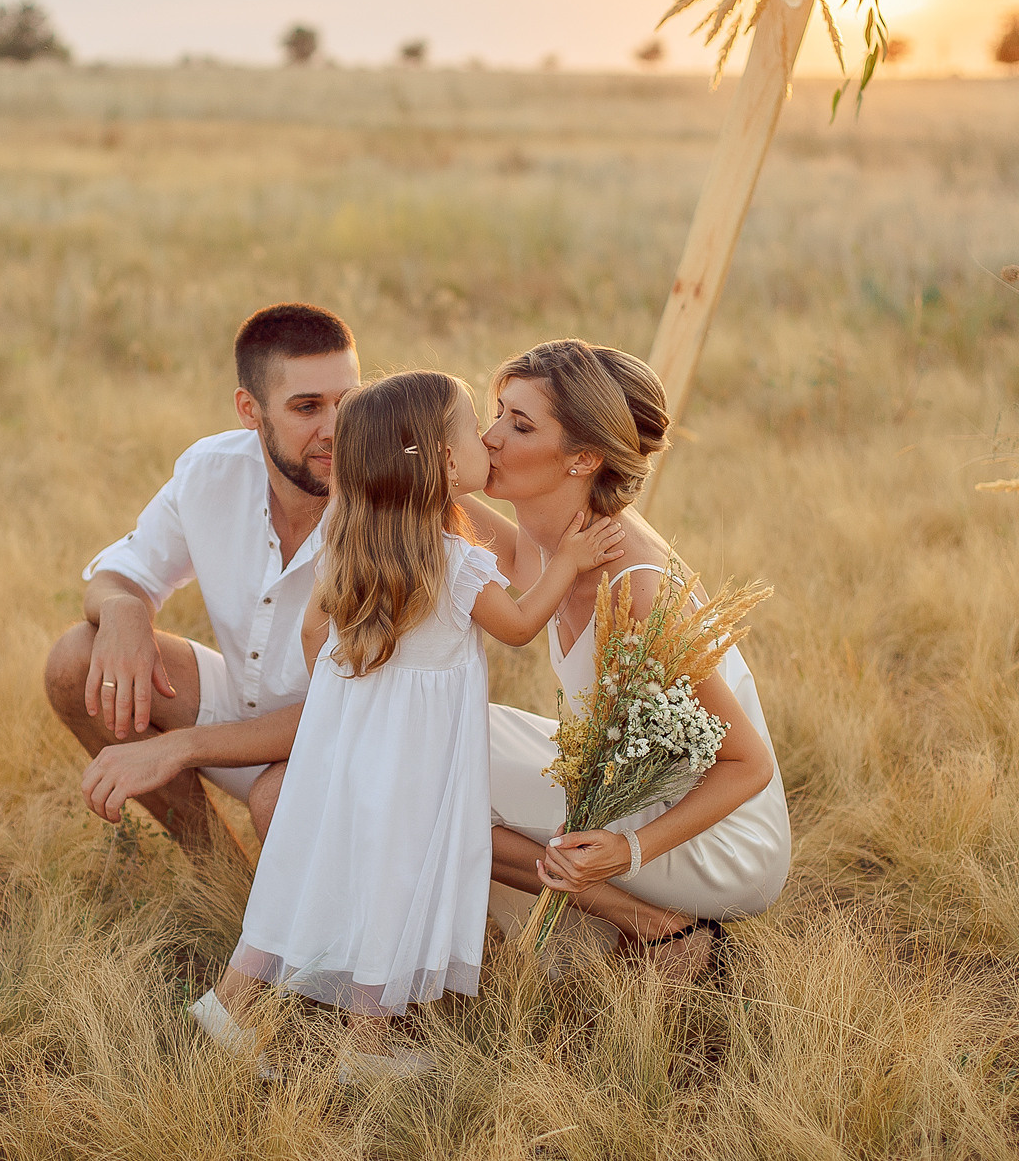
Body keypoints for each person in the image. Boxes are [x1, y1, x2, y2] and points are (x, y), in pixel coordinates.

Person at [189, 370, 623, 1077]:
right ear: (446, 463)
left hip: (345, 753)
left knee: (305, 873)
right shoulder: (453, 562)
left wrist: (353, 701)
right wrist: (568, 561)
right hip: (414, 764)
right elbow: (516, 626)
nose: (487, 436)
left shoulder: (354, 542)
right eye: (474, 427)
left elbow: (311, 636)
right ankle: (365, 1044)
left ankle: (226, 1005)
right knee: (391, 881)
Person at [464, 339, 791, 973]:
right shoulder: (556, 536)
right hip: (628, 787)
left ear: (583, 457)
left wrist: (629, 851)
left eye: (520, 424)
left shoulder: (634, 584)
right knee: (450, 738)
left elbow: (748, 763)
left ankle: (660, 927)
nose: (490, 437)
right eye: (498, 411)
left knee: (443, 775)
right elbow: (460, 521)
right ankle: (635, 921)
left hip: (714, 838)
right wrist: (385, 464)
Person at [46, 303, 358, 858]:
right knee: (77, 656)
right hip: (246, 707)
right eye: (307, 407)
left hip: (345, 741)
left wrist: (181, 748)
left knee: (278, 795)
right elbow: (120, 575)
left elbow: (349, 710)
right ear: (250, 410)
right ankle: (216, 865)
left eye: (348, 402)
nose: (335, 430)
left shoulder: (384, 500)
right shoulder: (211, 471)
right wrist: (125, 610)